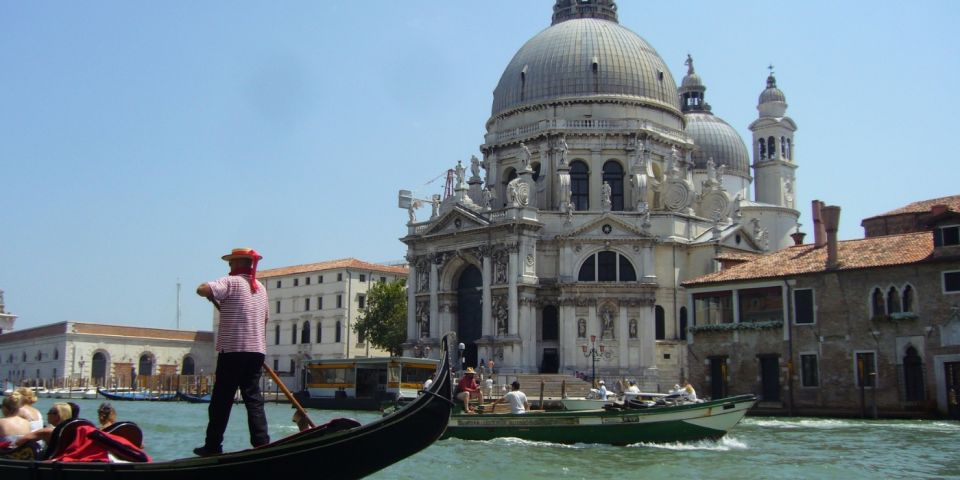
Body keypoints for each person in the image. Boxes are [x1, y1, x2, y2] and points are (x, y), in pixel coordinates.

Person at [193, 247, 270, 457]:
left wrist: (208, 292)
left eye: (230, 263)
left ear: (237, 264)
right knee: (253, 398)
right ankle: (262, 444)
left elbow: (202, 289)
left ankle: (212, 446)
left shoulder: (231, 282)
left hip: (233, 350)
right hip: (256, 350)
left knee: (221, 400)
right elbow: (264, 319)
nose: (228, 267)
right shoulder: (261, 288)